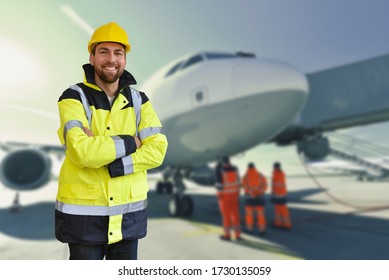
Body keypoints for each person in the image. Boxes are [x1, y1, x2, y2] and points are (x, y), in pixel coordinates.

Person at [55, 22, 168, 260]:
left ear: (125, 59)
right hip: (84, 222)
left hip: (128, 221)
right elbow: (82, 152)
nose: (111, 59)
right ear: (92, 57)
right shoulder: (74, 97)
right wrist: (132, 142)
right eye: (104, 52)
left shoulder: (140, 101)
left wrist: (113, 163)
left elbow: (157, 151)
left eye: (118, 53)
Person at [215, 157, 242, 241]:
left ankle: (227, 235)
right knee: (235, 215)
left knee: (226, 217)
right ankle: (237, 235)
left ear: (223, 163)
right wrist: (237, 194)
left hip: (225, 197)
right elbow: (238, 184)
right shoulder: (235, 170)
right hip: (234, 195)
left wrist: (219, 196)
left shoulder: (221, 171)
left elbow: (219, 186)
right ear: (229, 161)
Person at [242, 162, 267, 235]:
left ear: (248, 167)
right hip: (259, 198)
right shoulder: (260, 175)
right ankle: (262, 230)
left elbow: (245, 187)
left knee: (249, 214)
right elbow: (265, 185)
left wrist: (251, 193)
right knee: (260, 214)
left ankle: (249, 229)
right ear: (254, 167)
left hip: (250, 198)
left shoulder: (245, 177)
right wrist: (259, 192)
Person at [270, 162, 292, 230]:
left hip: (280, 195)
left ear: (276, 167)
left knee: (283, 211)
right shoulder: (276, 173)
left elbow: (277, 185)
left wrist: (274, 194)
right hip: (278, 195)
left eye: (274, 167)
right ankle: (278, 223)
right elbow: (274, 185)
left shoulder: (278, 174)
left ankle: (287, 225)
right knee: (277, 211)